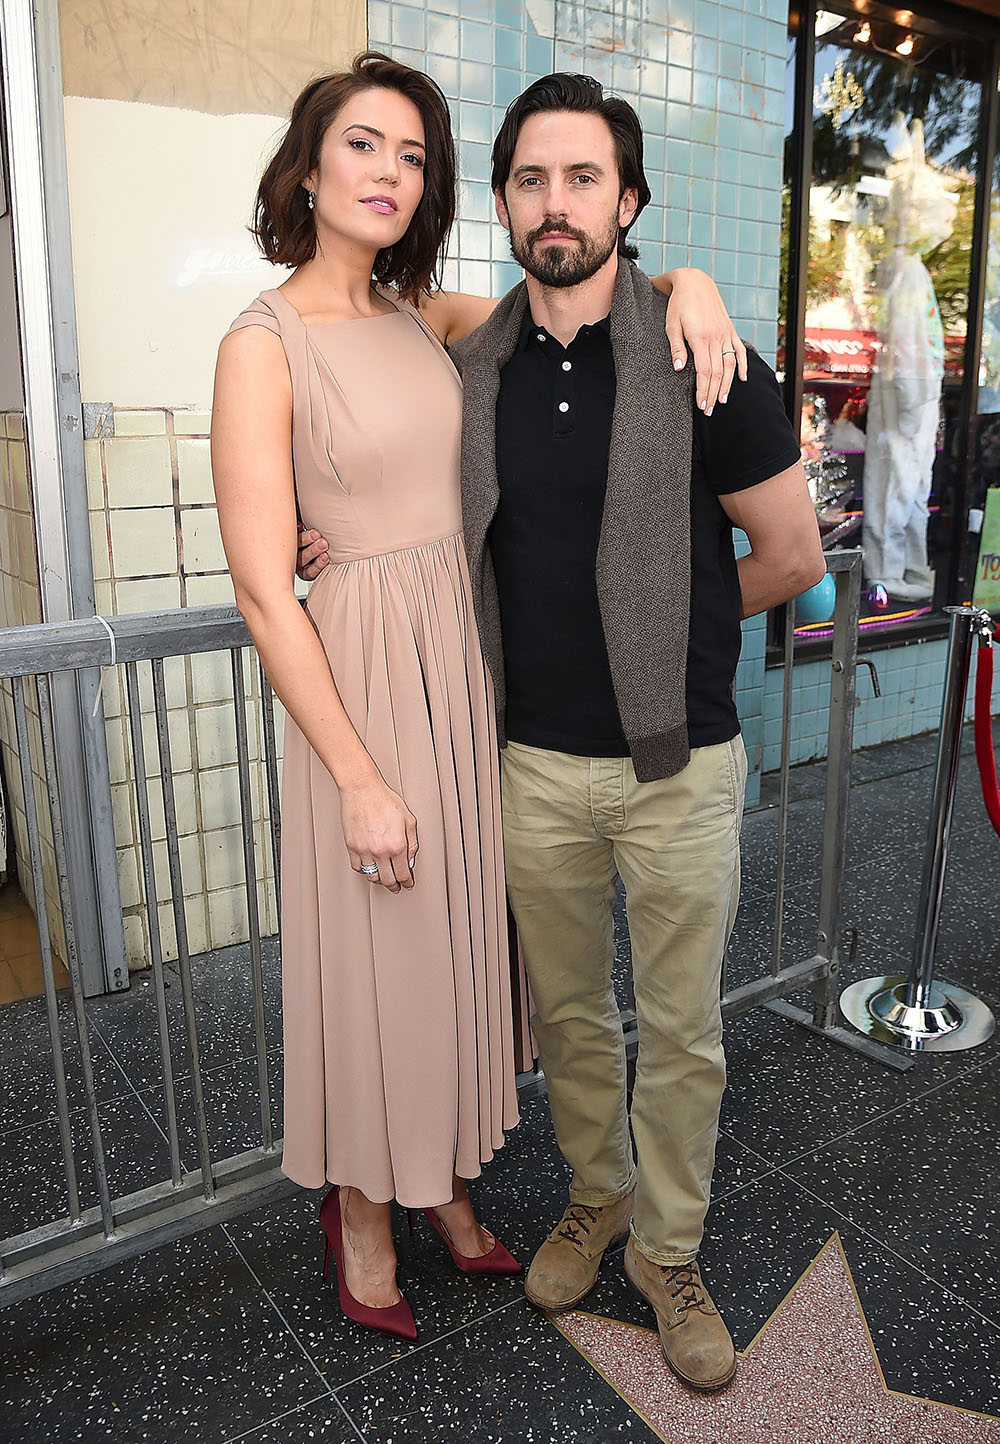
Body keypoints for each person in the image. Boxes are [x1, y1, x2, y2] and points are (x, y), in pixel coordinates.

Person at [214, 53, 747, 1344]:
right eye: (362, 146)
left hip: (466, 686)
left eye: (411, 155)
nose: (388, 172)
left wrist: (698, 283)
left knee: (456, 963)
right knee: (374, 962)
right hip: (363, 703)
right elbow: (262, 591)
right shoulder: (259, 340)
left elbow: (582, 288)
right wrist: (355, 776)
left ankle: (443, 1186)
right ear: (308, 165)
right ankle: (360, 1212)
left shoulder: (427, 317)